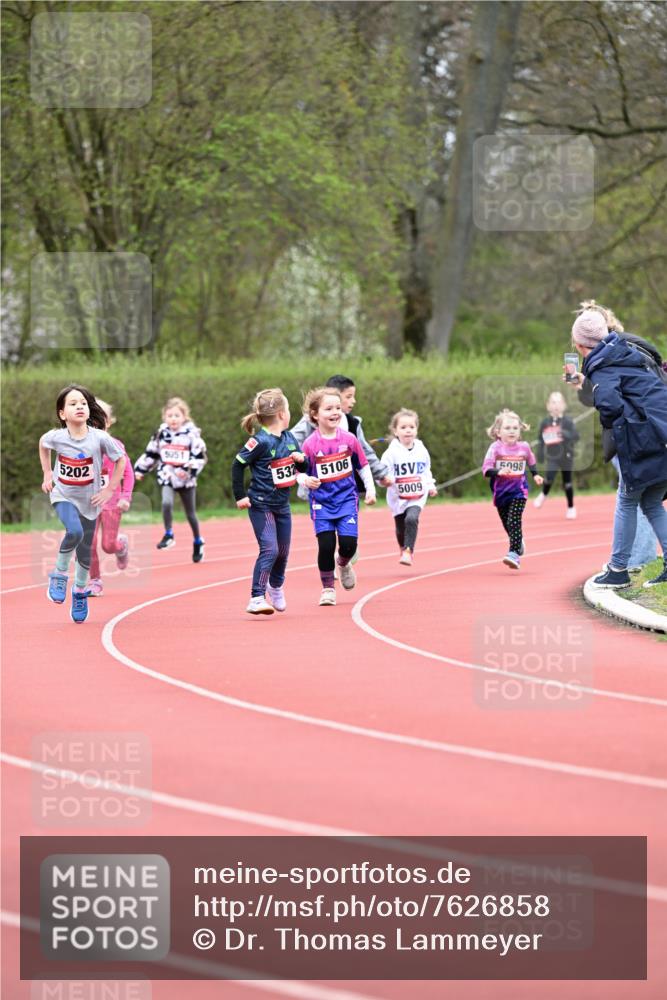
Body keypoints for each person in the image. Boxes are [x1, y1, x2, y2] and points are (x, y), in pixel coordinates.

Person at [568, 307, 667, 588]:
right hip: (663, 430)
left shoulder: (603, 365)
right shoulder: (629, 349)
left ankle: (619, 569)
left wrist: (625, 423)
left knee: (627, 500)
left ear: (579, 345)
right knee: (651, 502)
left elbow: (610, 405)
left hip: (643, 440)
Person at [39, 384, 126, 623]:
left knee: (85, 550)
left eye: (84, 403)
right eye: (73, 403)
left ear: (89, 410)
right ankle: (58, 574)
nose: (79, 407)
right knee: (74, 531)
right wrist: (47, 474)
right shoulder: (56, 437)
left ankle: (79, 591)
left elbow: (121, 461)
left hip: (90, 501)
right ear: (62, 413)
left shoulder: (100, 438)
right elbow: (43, 445)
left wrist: (109, 490)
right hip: (63, 496)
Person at [232, 388, 306, 615]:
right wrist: (240, 495)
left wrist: (301, 461)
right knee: (270, 548)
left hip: (282, 504)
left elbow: (301, 467)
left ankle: (276, 586)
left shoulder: (290, 438)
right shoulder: (260, 441)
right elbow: (237, 464)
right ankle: (256, 597)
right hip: (260, 503)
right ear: (282, 414)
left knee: (283, 550)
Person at [300, 387, 376, 605]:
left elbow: (362, 465)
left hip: (346, 500)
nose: (335, 412)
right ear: (315, 414)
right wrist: (306, 480)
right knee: (325, 545)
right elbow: (300, 472)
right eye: (328, 408)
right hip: (322, 503)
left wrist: (370, 489)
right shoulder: (310, 444)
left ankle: (342, 564)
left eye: (337, 407)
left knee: (349, 544)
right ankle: (327, 589)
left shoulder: (350, 439)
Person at [134, 397, 207, 562]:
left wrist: (187, 469)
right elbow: (151, 453)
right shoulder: (161, 434)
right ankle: (169, 534)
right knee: (166, 503)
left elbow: (200, 456)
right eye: (170, 416)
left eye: (176, 415)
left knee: (191, 514)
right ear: (164, 417)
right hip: (167, 475)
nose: (173, 419)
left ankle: (197, 541)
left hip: (186, 480)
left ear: (184, 417)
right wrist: (140, 470)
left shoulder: (191, 435)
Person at [482, 409, 544, 569]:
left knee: (513, 520)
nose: (511, 431)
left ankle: (514, 554)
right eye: (507, 428)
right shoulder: (495, 448)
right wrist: (499, 471)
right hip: (501, 493)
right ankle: (518, 541)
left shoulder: (524, 447)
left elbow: (531, 459)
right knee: (508, 525)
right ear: (498, 432)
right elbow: (486, 469)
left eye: (515, 428)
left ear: (520, 430)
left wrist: (536, 474)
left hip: (519, 491)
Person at [88, 400, 135, 597]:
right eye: (92, 419)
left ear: (109, 422)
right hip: (87, 503)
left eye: (101, 419)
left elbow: (128, 473)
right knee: (87, 544)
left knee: (108, 545)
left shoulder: (115, 446)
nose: (96, 423)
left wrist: (125, 497)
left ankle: (120, 545)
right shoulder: (77, 446)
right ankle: (95, 581)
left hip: (111, 502)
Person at [380, 408, 437, 565]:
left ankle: (408, 551)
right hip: (397, 497)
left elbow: (426, 470)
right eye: (403, 427)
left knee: (411, 519)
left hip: (418, 495)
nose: (408, 431)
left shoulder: (421, 449)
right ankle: (403, 546)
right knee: (400, 528)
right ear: (395, 431)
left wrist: (430, 485)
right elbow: (382, 473)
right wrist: (385, 480)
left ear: (416, 430)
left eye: (411, 427)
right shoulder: (390, 453)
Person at [533, 391, 579, 518]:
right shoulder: (545, 422)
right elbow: (540, 439)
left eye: (559, 402)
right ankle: (543, 494)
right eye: (553, 402)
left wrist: (565, 433)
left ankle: (571, 507)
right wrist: (540, 452)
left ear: (564, 405)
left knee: (567, 483)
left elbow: (576, 436)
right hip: (552, 456)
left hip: (567, 456)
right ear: (548, 405)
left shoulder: (568, 421)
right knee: (549, 477)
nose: (556, 405)